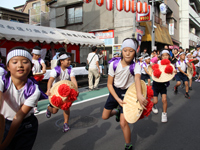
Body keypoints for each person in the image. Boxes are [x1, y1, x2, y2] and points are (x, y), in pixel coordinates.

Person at [102, 38, 147, 150]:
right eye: (125, 50)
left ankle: (128, 144)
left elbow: (137, 80)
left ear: (135, 53)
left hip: (128, 94)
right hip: (114, 92)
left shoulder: (136, 66)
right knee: (104, 116)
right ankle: (117, 111)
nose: (128, 53)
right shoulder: (113, 64)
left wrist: (140, 95)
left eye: (131, 51)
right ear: (121, 51)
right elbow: (109, 84)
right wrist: (117, 99)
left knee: (123, 123)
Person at [0, 47, 40, 149]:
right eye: (14, 62)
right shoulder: (3, 82)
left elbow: (19, 117)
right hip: (5, 122)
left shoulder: (33, 90)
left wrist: (5, 144)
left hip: (26, 125)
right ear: (8, 67)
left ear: (31, 66)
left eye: (25, 62)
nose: (20, 65)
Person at [46, 52, 78, 133]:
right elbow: (50, 80)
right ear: (61, 61)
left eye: (70, 60)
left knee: (66, 107)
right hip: (56, 93)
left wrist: (76, 89)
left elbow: (73, 79)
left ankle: (66, 123)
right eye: (68, 60)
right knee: (54, 111)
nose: (69, 62)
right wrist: (48, 89)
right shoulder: (55, 70)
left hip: (66, 92)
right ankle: (49, 109)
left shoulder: (70, 69)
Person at [151, 50, 172, 122]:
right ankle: (153, 105)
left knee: (164, 99)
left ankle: (164, 114)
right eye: (163, 55)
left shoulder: (170, 65)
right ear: (161, 56)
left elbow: (171, 73)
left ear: (169, 56)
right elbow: (152, 66)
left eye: (166, 55)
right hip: (156, 84)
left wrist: (174, 72)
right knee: (155, 101)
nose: (165, 56)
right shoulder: (158, 63)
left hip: (163, 85)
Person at [31, 46, 46, 114]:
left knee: (36, 93)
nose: (37, 56)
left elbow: (43, 64)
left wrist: (44, 68)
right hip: (30, 78)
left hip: (37, 78)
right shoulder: (30, 60)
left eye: (38, 55)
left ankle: (35, 107)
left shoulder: (40, 60)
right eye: (36, 55)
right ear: (33, 54)